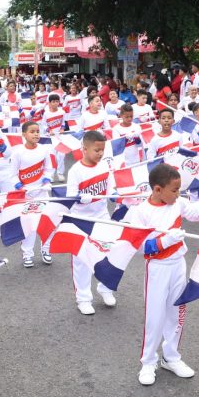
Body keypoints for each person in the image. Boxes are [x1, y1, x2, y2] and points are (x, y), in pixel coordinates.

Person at [127, 163, 199, 385]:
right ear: (157, 189)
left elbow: (198, 215)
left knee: (176, 313)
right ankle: (148, 362)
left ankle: (171, 357)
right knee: (155, 317)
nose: (178, 194)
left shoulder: (178, 202)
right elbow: (139, 247)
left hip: (178, 265)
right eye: (174, 190)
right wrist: (165, 241)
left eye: (179, 189)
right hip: (157, 267)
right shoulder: (140, 212)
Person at [66, 131, 117, 315]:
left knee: (109, 254)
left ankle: (105, 288)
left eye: (102, 150)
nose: (100, 153)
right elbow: (70, 197)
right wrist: (79, 198)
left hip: (102, 217)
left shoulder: (104, 166)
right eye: (97, 150)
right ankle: (83, 299)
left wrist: (115, 195)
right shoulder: (75, 171)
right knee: (82, 261)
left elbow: (111, 187)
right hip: (80, 221)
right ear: (84, 149)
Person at [10, 121, 54, 268]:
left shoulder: (44, 149)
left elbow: (48, 168)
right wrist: (20, 187)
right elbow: (12, 175)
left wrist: (47, 180)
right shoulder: (18, 153)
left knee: (46, 222)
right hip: (26, 195)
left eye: (37, 131)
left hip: (42, 193)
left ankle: (46, 249)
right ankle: (27, 254)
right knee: (29, 225)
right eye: (32, 131)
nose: (36, 134)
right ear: (24, 134)